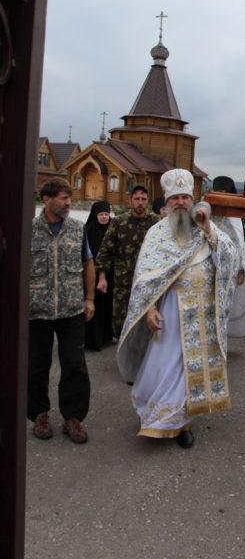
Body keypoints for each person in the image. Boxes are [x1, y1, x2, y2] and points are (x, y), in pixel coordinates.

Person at [117, 169, 238, 447]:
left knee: (190, 371)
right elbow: (145, 278)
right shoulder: (156, 234)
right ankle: (159, 417)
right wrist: (149, 309)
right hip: (171, 310)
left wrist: (208, 229)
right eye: (175, 198)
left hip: (203, 313)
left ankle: (182, 424)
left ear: (192, 200)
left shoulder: (205, 226)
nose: (181, 202)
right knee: (167, 366)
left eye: (186, 197)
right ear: (167, 202)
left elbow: (230, 259)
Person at [28, 178, 94, 443]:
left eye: (69, 198)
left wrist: (89, 299)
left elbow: (88, 263)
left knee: (75, 366)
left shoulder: (78, 229)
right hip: (37, 311)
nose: (69, 203)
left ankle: (73, 417)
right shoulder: (28, 229)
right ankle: (39, 415)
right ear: (46, 199)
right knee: (36, 367)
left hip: (71, 310)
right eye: (64, 199)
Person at [95, 185, 159, 341]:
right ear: (130, 200)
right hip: (123, 283)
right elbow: (105, 250)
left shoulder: (156, 222)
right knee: (120, 324)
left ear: (147, 201)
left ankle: (143, 361)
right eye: (137, 199)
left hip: (148, 283)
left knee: (147, 325)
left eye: (143, 199)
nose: (140, 203)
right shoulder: (118, 222)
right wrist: (102, 277)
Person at [211, 175, 245, 338]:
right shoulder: (208, 213)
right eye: (218, 191)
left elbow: (240, 245)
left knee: (225, 305)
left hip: (229, 270)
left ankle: (222, 337)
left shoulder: (235, 216)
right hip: (209, 268)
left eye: (224, 191)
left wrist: (240, 268)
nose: (221, 195)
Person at [84, 200, 113, 351]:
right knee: (94, 307)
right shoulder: (88, 231)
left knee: (107, 307)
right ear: (95, 216)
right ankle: (93, 340)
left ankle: (106, 336)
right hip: (92, 277)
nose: (104, 217)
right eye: (101, 214)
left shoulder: (113, 228)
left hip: (111, 276)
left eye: (106, 214)